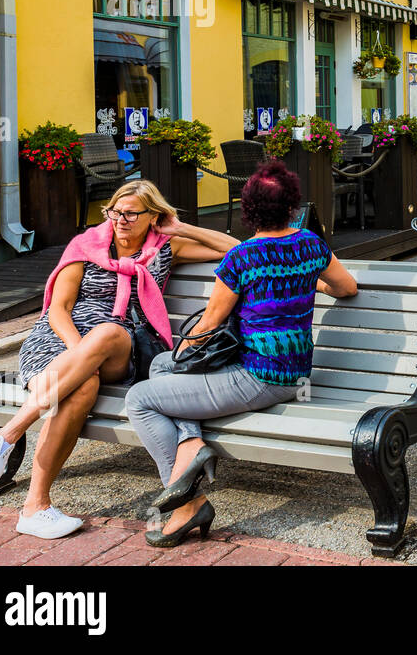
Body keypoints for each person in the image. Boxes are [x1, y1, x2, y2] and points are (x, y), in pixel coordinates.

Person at [0, 181, 238, 540]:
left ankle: (7, 435)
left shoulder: (165, 247)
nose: (121, 220)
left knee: (109, 333)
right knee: (82, 387)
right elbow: (58, 310)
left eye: (131, 214)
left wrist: (179, 227)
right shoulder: (85, 247)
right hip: (58, 342)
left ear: (153, 217)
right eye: (115, 211)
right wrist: (77, 351)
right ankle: (36, 507)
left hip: (122, 347)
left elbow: (237, 251)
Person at [125, 160, 359, 548]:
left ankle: (186, 500)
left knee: (141, 398)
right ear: (292, 206)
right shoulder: (311, 245)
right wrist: (308, 285)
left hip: (258, 379)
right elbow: (347, 287)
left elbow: (208, 327)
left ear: (247, 209)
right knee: (161, 365)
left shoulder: (243, 258)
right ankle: (191, 443)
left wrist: (184, 351)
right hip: (296, 374)